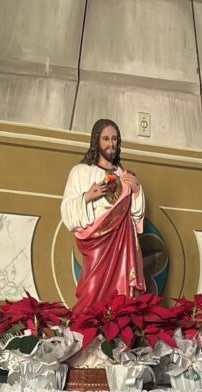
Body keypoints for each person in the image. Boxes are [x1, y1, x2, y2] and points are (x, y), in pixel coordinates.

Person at [60, 118, 146, 311]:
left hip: (122, 246)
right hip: (96, 245)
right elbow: (67, 210)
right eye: (106, 138)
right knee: (91, 293)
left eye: (114, 139)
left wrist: (137, 191)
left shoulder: (125, 175)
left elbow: (136, 218)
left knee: (121, 298)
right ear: (96, 142)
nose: (111, 143)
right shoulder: (81, 172)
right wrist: (87, 197)